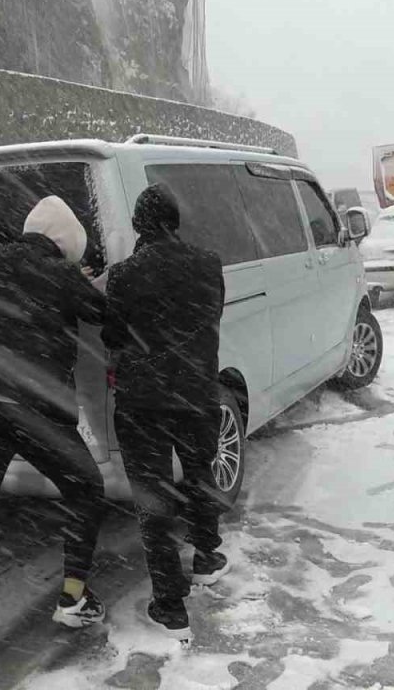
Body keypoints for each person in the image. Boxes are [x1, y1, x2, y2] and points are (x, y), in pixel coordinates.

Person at [0, 196, 108, 675]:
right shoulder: (58, 272)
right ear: (62, 244)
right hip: (31, 406)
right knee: (87, 488)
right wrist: (90, 280)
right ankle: (73, 597)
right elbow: (102, 313)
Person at [102, 184, 229, 644]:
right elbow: (213, 313)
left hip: (142, 401)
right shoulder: (208, 263)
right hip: (196, 393)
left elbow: (113, 336)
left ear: (138, 225)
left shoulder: (123, 275)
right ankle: (208, 557)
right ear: (176, 221)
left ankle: (170, 604)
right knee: (199, 474)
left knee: (152, 497)